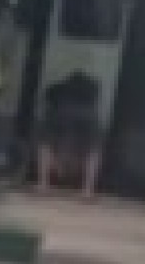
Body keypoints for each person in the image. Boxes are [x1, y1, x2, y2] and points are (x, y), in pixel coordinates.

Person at [36, 69, 104, 197]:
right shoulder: (92, 88)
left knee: (46, 145)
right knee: (93, 150)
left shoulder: (57, 89)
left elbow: (48, 98)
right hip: (87, 116)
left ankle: (43, 183)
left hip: (59, 113)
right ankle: (87, 189)